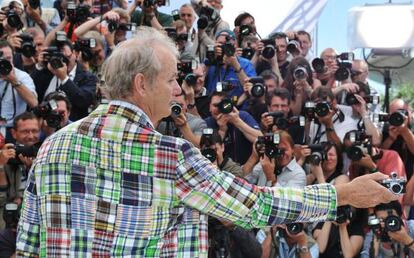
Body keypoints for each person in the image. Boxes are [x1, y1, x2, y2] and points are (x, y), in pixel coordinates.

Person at [16, 26, 398, 257]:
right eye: (169, 80)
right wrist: (341, 196)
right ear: (141, 84)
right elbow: (252, 205)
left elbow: (28, 247)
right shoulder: (169, 154)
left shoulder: (53, 148)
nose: (178, 91)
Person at [0, 40, 38, 142]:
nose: (5, 63)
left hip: (14, 130)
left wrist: (14, 81)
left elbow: (34, 102)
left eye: (8, 59)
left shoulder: (22, 76)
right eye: (2, 59)